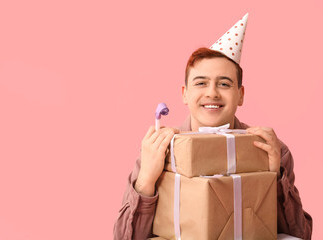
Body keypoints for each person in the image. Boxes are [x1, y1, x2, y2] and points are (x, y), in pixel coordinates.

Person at [114, 14, 312, 240]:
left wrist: (275, 176)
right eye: (201, 83)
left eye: (224, 83)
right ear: (185, 94)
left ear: (240, 95)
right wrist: (147, 179)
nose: (212, 92)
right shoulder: (159, 148)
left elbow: (300, 236)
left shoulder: (270, 148)